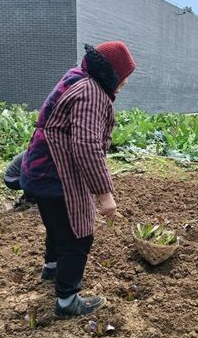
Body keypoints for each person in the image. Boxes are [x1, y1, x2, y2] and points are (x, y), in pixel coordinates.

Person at [21, 41, 136, 318]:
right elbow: (87, 145)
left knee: (57, 225)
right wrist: (104, 194)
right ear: (111, 73)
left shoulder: (77, 76)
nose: (124, 84)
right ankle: (67, 301)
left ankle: (52, 269)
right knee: (77, 235)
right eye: (124, 78)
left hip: (40, 169)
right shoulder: (92, 93)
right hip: (58, 172)